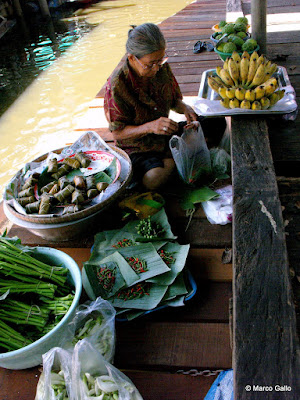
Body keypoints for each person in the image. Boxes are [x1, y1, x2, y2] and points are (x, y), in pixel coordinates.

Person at [104, 22, 225, 190]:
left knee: (218, 122)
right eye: (150, 64)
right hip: (139, 146)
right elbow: (117, 133)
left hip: (166, 133)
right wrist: (150, 127)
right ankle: (177, 158)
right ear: (132, 58)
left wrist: (185, 109)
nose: (156, 68)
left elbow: (174, 101)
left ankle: (176, 157)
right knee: (154, 178)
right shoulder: (118, 86)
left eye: (160, 61)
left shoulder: (161, 67)